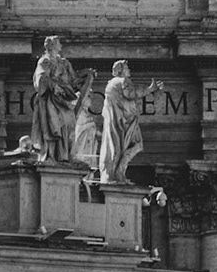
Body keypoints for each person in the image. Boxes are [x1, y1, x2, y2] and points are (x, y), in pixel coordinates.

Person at [97, 60, 163, 184]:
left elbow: (129, 101)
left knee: (119, 148)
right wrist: (150, 89)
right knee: (135, 145)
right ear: (121, 70)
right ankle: (119, 172)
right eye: (127, 68)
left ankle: (118, 171)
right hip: (124, 123)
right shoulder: (121, 82)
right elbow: (131, 94)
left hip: (121, 122)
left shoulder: (111, 84)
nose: (129, 71)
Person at [30, 35, 93, 164]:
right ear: (52, 46)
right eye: (59, 43)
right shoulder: (45, 61)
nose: (61, 46)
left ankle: (63, 156)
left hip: (63, 101)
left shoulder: (64, 63)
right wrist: (54, 86)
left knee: (68, 125)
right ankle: (51, 156)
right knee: (53, 126)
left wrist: (86, 75)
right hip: (51, 101)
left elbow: (73, 82)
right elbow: (41, 79)